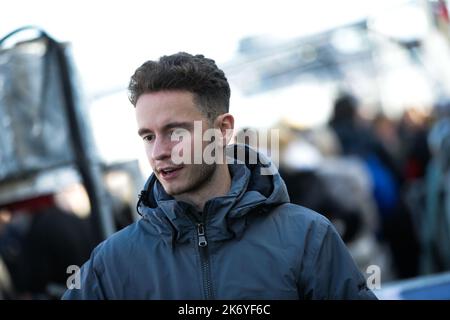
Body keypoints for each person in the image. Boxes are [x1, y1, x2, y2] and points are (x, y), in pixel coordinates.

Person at [62, 53, 377, 300]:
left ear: (223, 130)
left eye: (175, 132)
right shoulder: (112, 263)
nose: (158, 151)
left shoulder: (307, 237)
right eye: (148, 136)